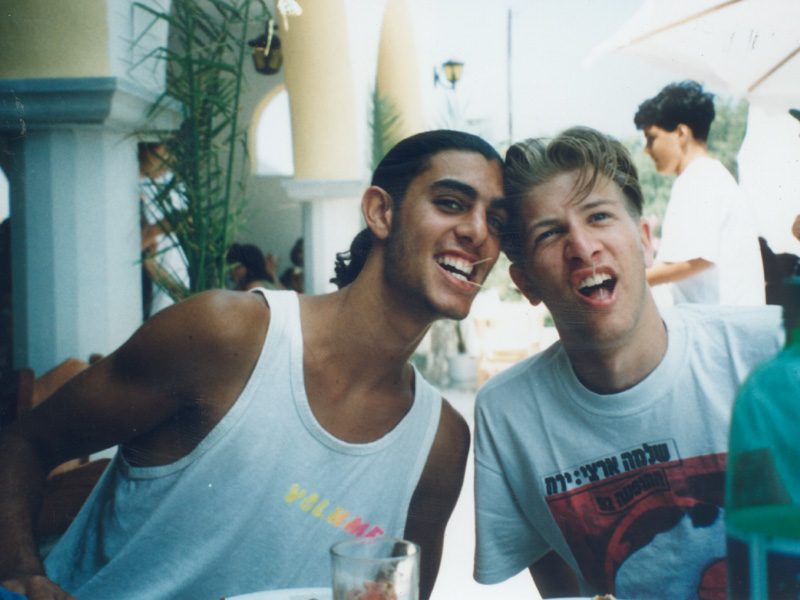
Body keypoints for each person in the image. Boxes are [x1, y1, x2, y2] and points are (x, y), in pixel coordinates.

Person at [0, 129, 507, 600]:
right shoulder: (229, 335)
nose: (478, 232)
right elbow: (23, 443)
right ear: (380, 212)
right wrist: (18, 569)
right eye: (450, 203)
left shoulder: (440, 442)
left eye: (498, 221)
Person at [472, 127, 784, 599]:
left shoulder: (771, 351)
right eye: (549, 233)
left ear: (644, 241)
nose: (582, 246)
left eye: (599, 216)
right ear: (526, 283)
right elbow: (554, 574)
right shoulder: (508, 413)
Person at [634, 80, 765, 306]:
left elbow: (695, 260)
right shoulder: (707, 175)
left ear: (681, 133)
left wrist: (629, 279)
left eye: (651, 138)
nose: (647, 149)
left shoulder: (700, 178)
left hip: (719, 324)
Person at [139, 142, 191, 318]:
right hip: (149, 271)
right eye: (160, 157)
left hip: (168, 265)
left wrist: (152, 232)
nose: (165, 165)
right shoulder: (129, 181)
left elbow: (186, 216)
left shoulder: (169, 181)